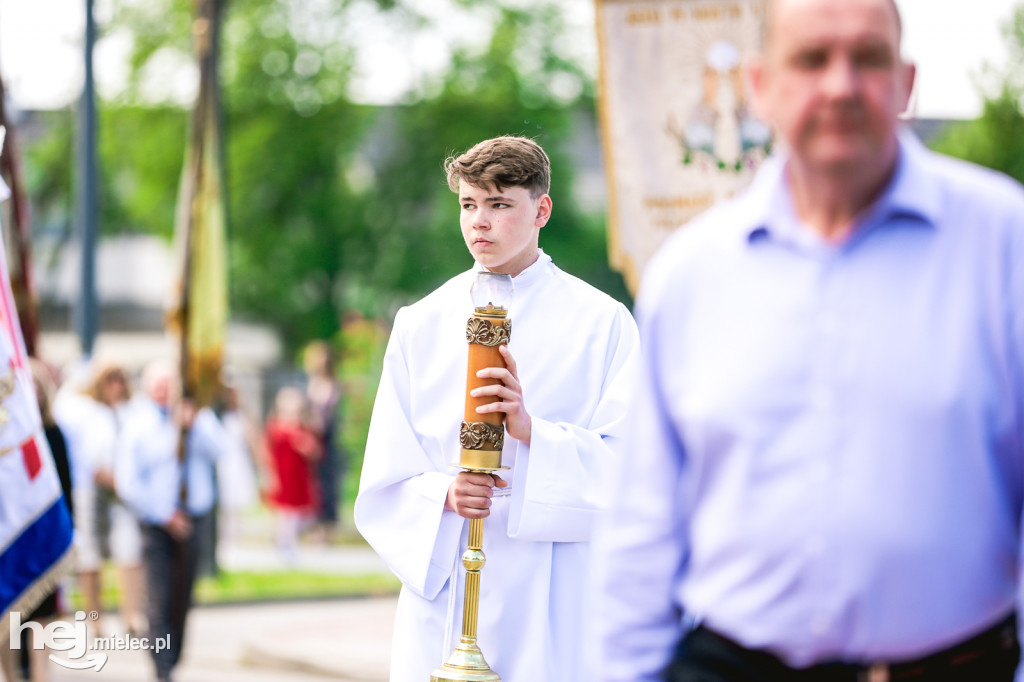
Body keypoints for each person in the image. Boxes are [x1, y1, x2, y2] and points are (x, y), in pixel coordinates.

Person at [594, 0, 1024, 680]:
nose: (840, 84)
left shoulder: (1006, 244)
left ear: (907, 82)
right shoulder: (690, 275)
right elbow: (641, 529)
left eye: (869, 58)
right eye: (812, 58)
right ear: (761, 86)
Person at [354, 135, 641, 682]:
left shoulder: (602, 323)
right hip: (447, 582)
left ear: (542, 209)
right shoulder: (421, 322)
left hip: (551, 591)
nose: (478, 222)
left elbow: (631, 469)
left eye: (499, 203)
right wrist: (442, 494)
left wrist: (534, 433)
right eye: (468, 204)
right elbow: (385, 475)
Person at [115, 360, 226, 682]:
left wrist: (195, 424)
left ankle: (174, 656)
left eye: (169, 383)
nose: (164, 390)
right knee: (159, 597)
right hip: (157, 523)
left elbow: (223, 451)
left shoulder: (198, 418)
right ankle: (162, 668)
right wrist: (164, 515)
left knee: (183, 594)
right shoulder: (139, 424)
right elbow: (128, 482)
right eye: (158, 384)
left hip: (195, 517)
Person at [75, 362, 146, 636]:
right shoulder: (87, 413)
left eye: (120, 379)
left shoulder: (133, 412)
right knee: (90, 559)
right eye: (110, 380)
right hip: (93, 491)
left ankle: (132, 614)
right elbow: (88, 457)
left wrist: (127, 485)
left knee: (128, 553)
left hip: (123, 493)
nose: (116, 386)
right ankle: (94, 619)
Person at [264, 385, 322, 563]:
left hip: (298, 476)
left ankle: (292, 544)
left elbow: (315, 451)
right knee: (284, 514)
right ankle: (284, 545)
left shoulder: (302, 428)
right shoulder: (274, 427)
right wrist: (268, 474)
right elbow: (266, 451)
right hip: (282, 475)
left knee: (299, 514)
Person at [303, 340, 344, 540]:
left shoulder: (332, 384)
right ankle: (312, 526)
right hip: (310, 438)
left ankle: (326, 528)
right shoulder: (309, 383)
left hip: (326, 439)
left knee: (326, 483)